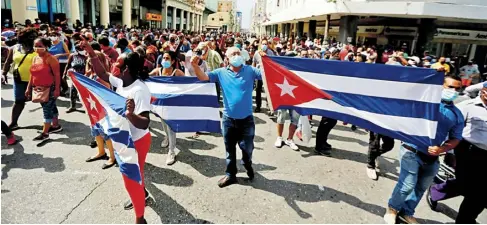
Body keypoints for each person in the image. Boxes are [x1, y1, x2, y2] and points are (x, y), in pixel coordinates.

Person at [81, 37, 151, 224]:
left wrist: (130, 114)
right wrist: (90, 52)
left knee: (133, 175)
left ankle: (140, 217)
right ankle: (141, 195)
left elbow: (145, 123)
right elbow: (102, 74)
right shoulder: (122, 83)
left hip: (137, 140)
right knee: (135, 173)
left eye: (117, 64)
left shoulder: (139, 90)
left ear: (126, 69)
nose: (113, 66)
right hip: (123, 138)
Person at [384, 74, 464, 224]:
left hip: (433, 157)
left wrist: (442, 149)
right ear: (441, 86)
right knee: (407, 185)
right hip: (411, 150)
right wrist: (430, 77)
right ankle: (392, 208)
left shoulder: (457, 115)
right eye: (450, 87)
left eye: (457, 88)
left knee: (421, 187)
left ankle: (407, 212)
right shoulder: (425, 103)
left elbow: (456, 138)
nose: (453, 91)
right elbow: (408, 94)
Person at [191, 47, 262, 188]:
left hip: (246, 120)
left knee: (247, 148)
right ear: (227, 58)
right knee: (230, 150)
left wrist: (265, 60)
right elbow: (204, 77)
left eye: (238, 53)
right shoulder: (221, 72)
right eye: (233, 54)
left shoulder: (250, 71)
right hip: (228, 120)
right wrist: (194, 65)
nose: (236, 55)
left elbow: (267, 75)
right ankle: (231, 174)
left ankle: (248, 165)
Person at [427, 82, 487, 223]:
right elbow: (452, 128)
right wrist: (449, 151)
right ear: (484, 91)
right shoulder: (467, 106)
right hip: (468, 151)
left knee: (482, 192)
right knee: (465, 184)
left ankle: (465, 220)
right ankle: (436, 191)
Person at [149, 51, 184, 165]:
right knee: (163, 123)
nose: (164, 60)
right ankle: (167, 138)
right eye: (163, 58)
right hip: (160, 104)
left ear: (173, 61)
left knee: (171, 127)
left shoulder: (177, 72)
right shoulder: (157, 71)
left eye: (167, 58)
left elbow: (188, 84)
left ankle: (171, 151)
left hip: (172, 105)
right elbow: (146, 78)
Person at [26, 37, 63, 141]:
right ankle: (55, 125)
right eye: (35, 46)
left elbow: (57, 75)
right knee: (51, 106)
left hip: (49, 88)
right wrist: (28, 88)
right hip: (38, 88)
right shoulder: (35, 58)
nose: (37, 48)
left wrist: (57, 89)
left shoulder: (51, 58)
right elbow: (32, 75)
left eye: (40, 46)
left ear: (46, 47)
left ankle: (45, 133)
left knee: (47, 110)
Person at [2, 28, 38, 130]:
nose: (34, 38)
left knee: (43, 100)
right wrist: (3, 74)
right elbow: (8, 62)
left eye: (35, 36)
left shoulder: (39, 47)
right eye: (31, 36)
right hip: (19, 80)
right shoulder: (14, 48)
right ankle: (13, 123)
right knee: (19, 101)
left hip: (37, 80)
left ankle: (52, 122)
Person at [64, 40, 87, 113]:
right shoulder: (72, 56)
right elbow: (68, 65)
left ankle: (87, 108)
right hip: (75, 76)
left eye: (83, 49)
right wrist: (64, 74)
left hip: (84, 76)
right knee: (73, 92)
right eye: (81, 49)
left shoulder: (86, 57)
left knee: (84, 93)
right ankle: (72, 106)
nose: (83, 50)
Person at [252, 39, 275, 113]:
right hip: (259, 74)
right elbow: (254, 63)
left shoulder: (271, 53)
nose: (264, 45)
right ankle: (258, 106)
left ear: (268, 45)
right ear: (260, 44)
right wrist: (253, 73)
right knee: (258, 90)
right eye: (263, 44)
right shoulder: (257, 53)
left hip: (268, 74)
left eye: (266, 44)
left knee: (268, 91)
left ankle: (269, 107)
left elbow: (274, 63)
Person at [48, 31, 70, 96]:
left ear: (58, 36)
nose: (53, 37)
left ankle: (64, 88)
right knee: (54, 77)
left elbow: (68, 53)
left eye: (54, 36)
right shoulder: (49, 44)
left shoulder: (62, 43)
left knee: (60, 76)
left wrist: (59, 55)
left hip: (62, 62)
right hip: (52, 62)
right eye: (51, 36)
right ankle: (57, 89)